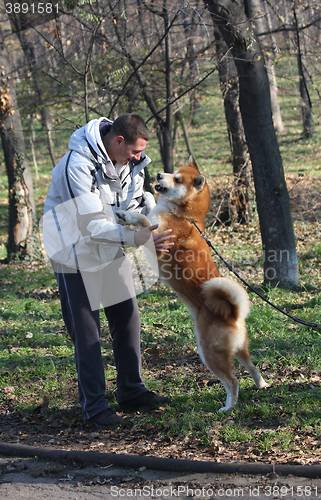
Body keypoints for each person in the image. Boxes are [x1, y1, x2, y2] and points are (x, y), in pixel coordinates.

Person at [43, 114, 175, 429]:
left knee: (127, 316)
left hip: (105, 240)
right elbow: (91, 224)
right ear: (118, 141)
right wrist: (139, 238)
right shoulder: (79, 163)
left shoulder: (129, 162)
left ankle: (131, 391)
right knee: (88, 331)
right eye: (134, 151)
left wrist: (152, 220)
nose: (139, 157)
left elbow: (126, 210)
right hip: (71, 246)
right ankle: (95, 408)